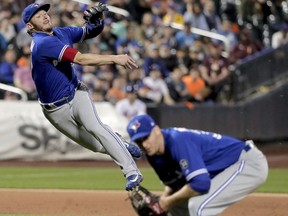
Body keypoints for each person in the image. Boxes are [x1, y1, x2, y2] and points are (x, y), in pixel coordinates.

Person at [22, 2, 143, 190]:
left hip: (77, 93)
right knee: (95, 145)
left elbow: (89, 31)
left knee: (96, 127)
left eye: (45, 12)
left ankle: (132, 173)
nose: (45, 16)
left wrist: (98, 21)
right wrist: (114, 58)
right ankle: (120, 143)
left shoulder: (62, 33)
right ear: (30, 26)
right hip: (55, 110)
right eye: (38, 16)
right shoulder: (42, 43)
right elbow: (81, 59)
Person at [126, 114, 268, 216]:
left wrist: (165, 203)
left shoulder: (178, 141)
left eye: (146, 137)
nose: (144, 144)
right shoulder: (154, 156)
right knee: (176, 208)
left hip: (247, 163)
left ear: (156, 130)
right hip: (225, 169)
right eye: (139, 141)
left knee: (199, 207)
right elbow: (176, 185)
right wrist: (162, 202)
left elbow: (201, 184)